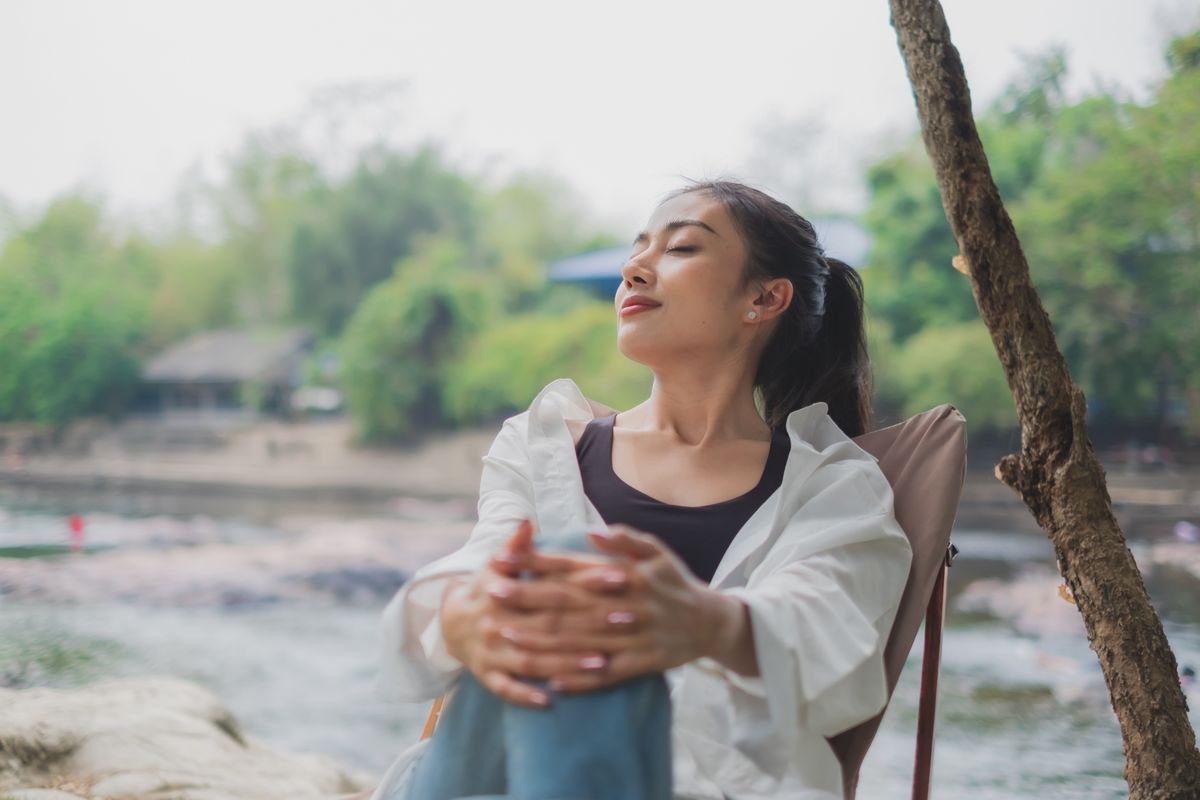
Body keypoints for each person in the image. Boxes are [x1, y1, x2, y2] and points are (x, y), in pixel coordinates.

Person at [369, 179, 914, 800]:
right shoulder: (547, 444)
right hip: (487, 766)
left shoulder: (832, 485)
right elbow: (486, 556)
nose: (636, 268)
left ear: (764, 298)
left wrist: (707, 624)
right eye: (638, 249)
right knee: (568, 577)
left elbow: (830, 634)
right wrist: (462, 611)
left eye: (680, 249)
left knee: (585, 587)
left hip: (704, 782)